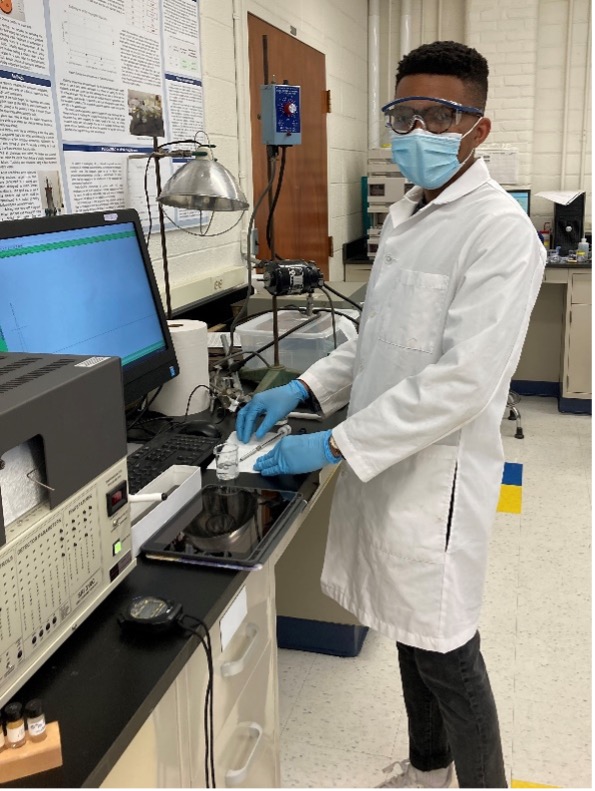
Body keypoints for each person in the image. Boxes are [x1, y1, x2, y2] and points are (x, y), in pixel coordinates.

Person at [236, 40, 545, 789]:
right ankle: (426, 768)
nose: (414, 131)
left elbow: (461, 382)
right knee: (408, 633)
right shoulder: (407, 213)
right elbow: (378, 339)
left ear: (477, 127)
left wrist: (334, 445)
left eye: (437, 114)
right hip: (385, 463)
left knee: (445, 649)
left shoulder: (499, 234)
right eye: (401, 114)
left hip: (432, 479)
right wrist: (305, 390)